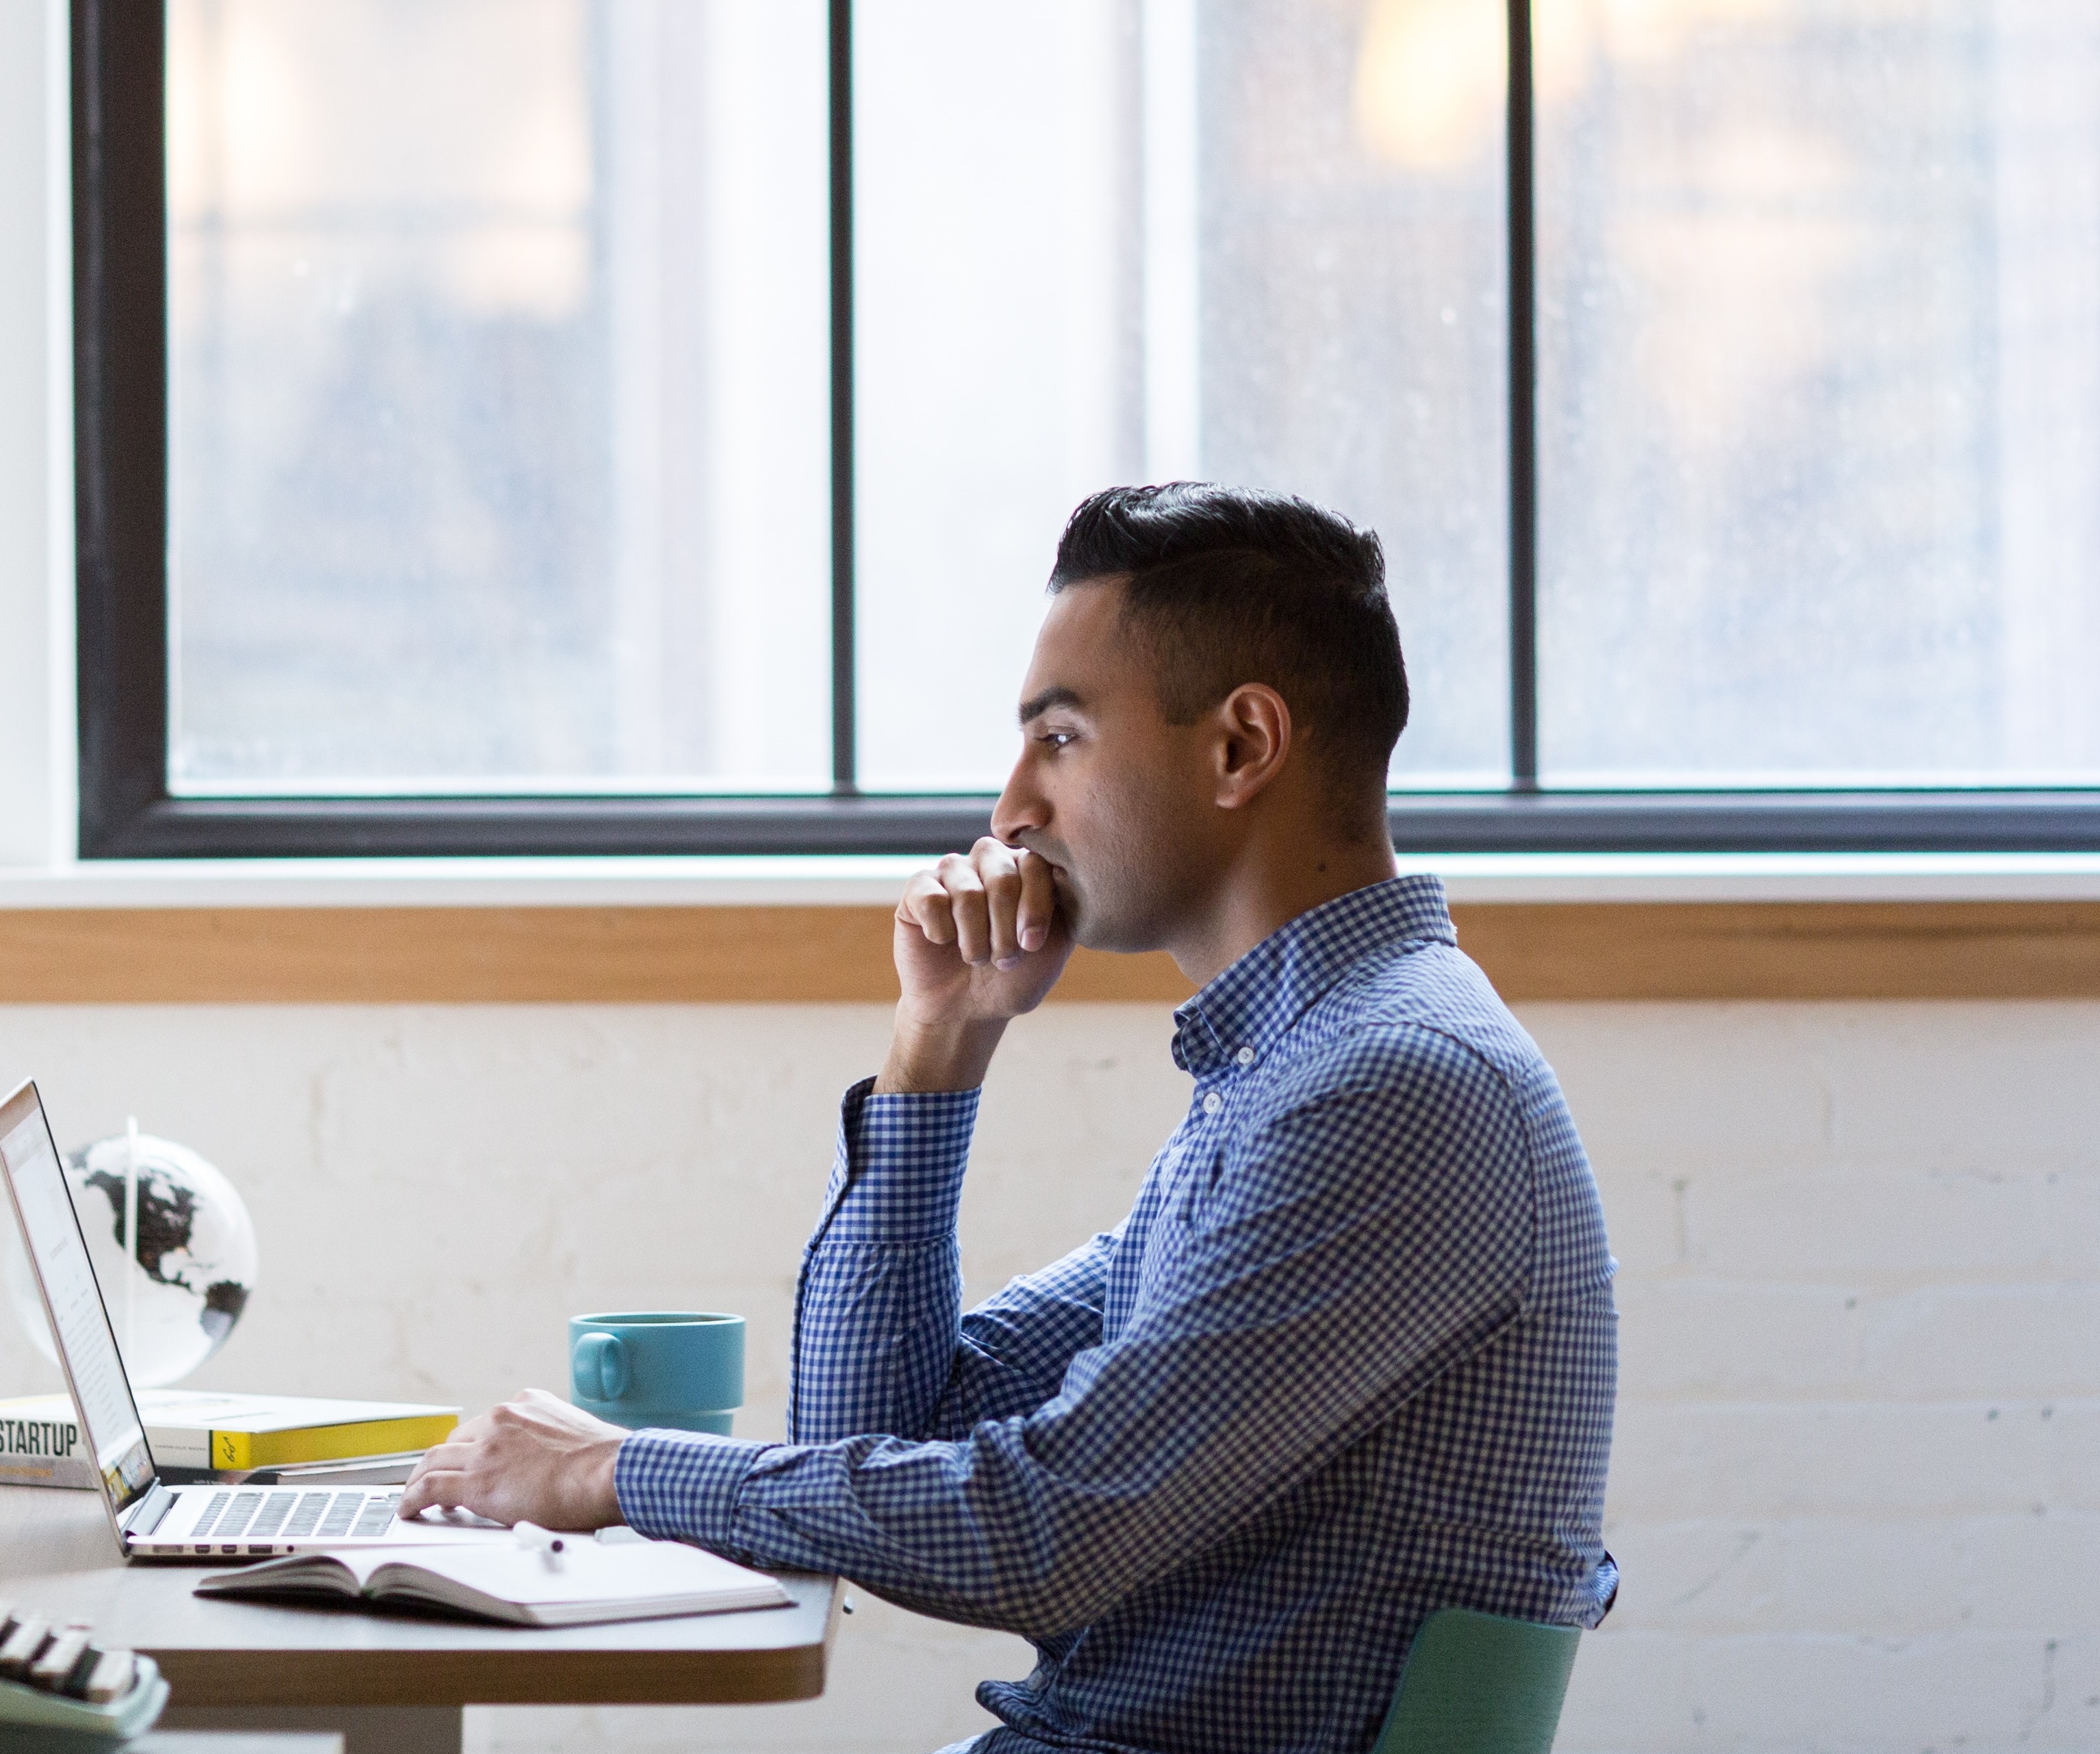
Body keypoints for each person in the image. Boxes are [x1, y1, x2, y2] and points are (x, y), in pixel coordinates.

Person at [403, 482, 1619, 1754]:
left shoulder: (1388, 1089)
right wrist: (941, 1040)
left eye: (1061, 738)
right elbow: (872, 1435)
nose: (1009, 810)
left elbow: (1042, 1536)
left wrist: (612, 1472)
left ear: (1241, 746)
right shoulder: (1289, 1074)